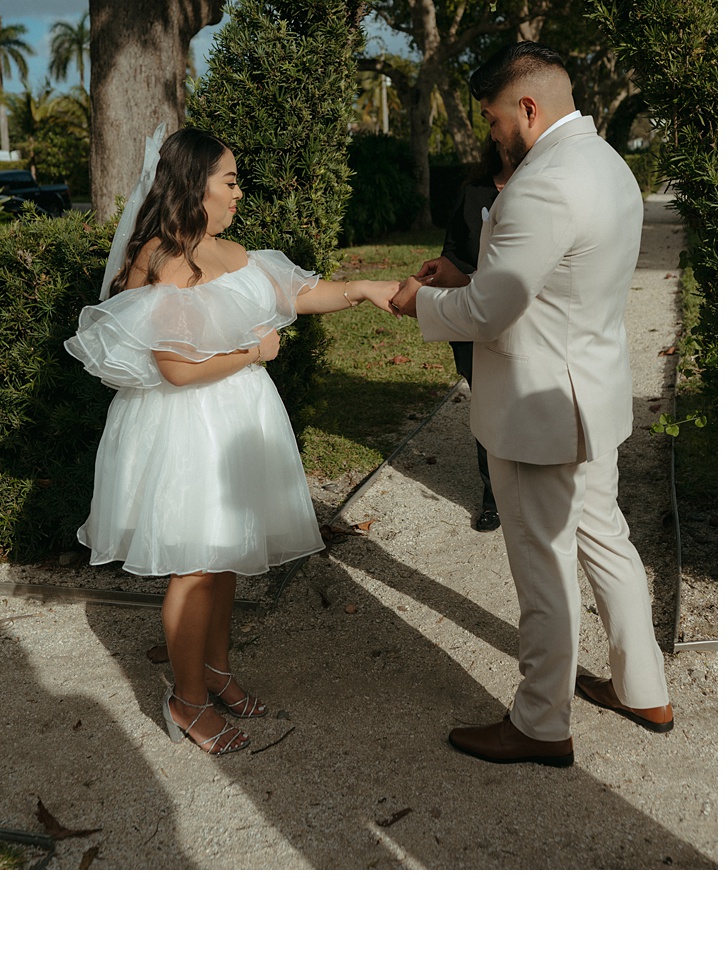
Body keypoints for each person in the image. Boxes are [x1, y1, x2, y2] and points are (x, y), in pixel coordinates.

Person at [66, 125, 401, 757]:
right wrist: (254, 350)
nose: (238, 192)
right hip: (187, 427)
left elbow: (294, 293)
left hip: (236, 419)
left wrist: (362, 290)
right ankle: (185, 701)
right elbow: (176, 368)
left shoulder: (229, 251)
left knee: (222, 557)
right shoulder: (165, 258)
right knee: (194, 566)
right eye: (230, 180)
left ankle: (214, 671)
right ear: (195, 186)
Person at [392, 41, 672, 767]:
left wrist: (420, 301)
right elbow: (550, 275)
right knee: (605, 538)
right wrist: (467, 268)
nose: (489, 133)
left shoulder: (543, 181)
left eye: (491, 119)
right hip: (593, 395)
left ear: (527, 108)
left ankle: (541, 723)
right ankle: (644, 687)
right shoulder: (605, 161)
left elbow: (491, 310)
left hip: (540, 411)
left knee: (542, 567)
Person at [438, 138, 515, 531]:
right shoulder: (474, 194)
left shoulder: (538, 189)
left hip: (522, 320)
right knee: (486, 404)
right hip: (472, 318)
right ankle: (494, 496)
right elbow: (451, 250)